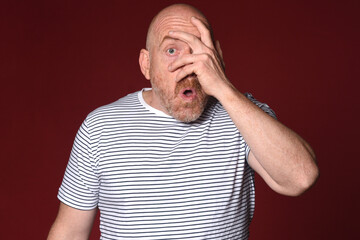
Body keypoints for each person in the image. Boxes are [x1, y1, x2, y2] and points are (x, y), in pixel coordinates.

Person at [48, 3, 319, 240]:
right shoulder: (100, 128)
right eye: (171, 50)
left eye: (199, 49)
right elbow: (70, 232)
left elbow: (301, 178)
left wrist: (223, 88)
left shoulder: (244, 117)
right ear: (146, 64)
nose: (188, 64)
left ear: (217, 58)